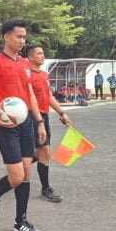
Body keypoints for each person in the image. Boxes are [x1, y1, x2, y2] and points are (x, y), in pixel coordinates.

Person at [0, 20, 46, 231]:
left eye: (24, 37)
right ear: (6, 37)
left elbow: (30, 95)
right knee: (16, 176)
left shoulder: (25, 64)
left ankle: (21, 222)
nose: (22, 41)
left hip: (27, 122)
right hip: (6, 124)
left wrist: (39, 122)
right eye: (19, 36)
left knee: (26, 173)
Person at [27, 45, 71, 202]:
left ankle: (18, 165)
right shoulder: (27, 75)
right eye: (39, 54)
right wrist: (38, 120)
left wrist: (62, 113)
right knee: (44, 151)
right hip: (31, 117)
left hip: (44, 117)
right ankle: (46, 189)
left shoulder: (44, 75)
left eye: (43, 53)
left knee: (40, 153)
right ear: (31, 57)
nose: (42, 56)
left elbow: (49, 97)